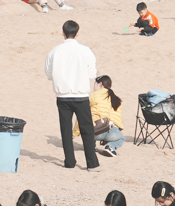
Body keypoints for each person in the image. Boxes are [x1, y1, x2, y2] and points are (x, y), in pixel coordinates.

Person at [46, 20, 99, 171]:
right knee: (87, 129)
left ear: (63, 33)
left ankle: (69, 161)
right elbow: (92, 74)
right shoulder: (85, 51)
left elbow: (49, 73)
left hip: (62, 95)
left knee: (66, 129)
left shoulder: (54, 51)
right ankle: (92, 163)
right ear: (77, 33)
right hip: (81, 94)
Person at [89, 76, 125, 156]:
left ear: (100, 84)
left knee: (92, 121)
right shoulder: (116, 99)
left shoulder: (93, 95)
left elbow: (85, 113)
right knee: (122, 138)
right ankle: (110, 146)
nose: (93, 86)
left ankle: (91, 146)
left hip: (96, 131)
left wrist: (75, 132)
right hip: (112, 131)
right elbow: (118, 119)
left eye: (95, 84)